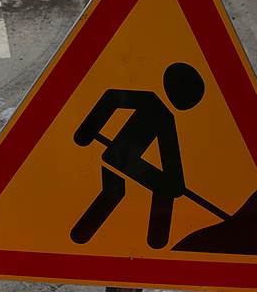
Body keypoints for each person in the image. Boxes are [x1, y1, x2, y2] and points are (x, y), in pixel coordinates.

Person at [71, 62, 205, 249]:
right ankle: (157, 240)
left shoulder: (163, 114)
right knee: (160, 189)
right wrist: (85, 132)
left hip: (118, 157)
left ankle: (79, 236)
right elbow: (112, 98)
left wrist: (85, 133)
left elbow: (169, 156)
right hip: (123, 158)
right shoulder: (156, 107)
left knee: (114, 192)